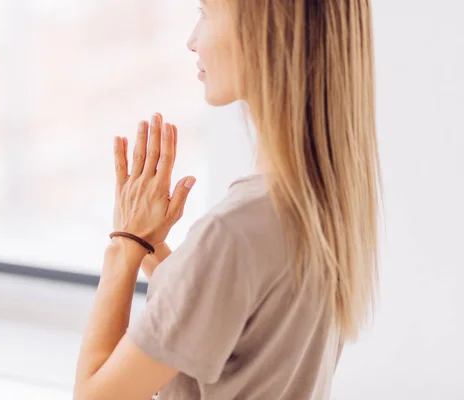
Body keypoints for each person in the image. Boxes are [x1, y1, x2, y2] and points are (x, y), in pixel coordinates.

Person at [74, 0, 381, 399]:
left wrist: (124, 245)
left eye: (204, 12)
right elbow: (235, 316)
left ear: (265, 35)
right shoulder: (326, 202)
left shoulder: (234, 231)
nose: (191, 41)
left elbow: (94, 395)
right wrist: (150, 245)